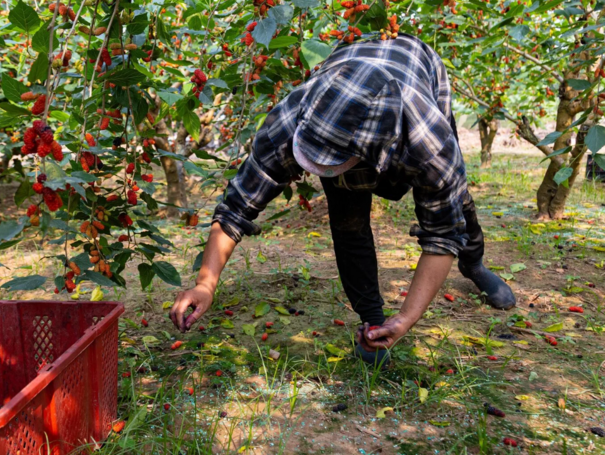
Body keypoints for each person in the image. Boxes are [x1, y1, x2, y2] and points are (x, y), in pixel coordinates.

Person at [169, 33, 516, 364]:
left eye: (329, 161)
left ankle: (474, 264)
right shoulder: (293, 117)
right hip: (349, 79)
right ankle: (372, 322)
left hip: (419, 68)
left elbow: (442, 233)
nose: (319, 168)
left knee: (456, 202)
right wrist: (205, 284)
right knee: (348, 219)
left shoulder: (431, 145)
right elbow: (235, 208)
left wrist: (409, 317)